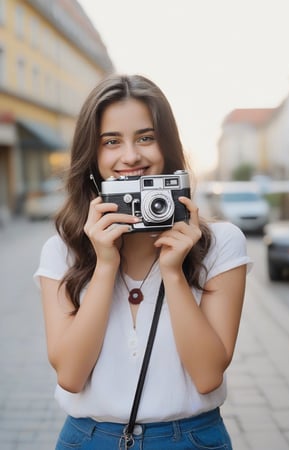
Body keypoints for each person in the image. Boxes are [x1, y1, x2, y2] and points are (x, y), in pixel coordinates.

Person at [34, 74, 252, 450]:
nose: (130, 155)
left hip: (191, 439)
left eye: (146, 137)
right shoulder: (64, 250)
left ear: (168, 148)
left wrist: (173, 272)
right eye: (111, 141)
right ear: (92, 156)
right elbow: (70, 375)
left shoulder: (220, 244)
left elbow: (207, 375)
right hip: (88, 439)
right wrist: (104, 265)